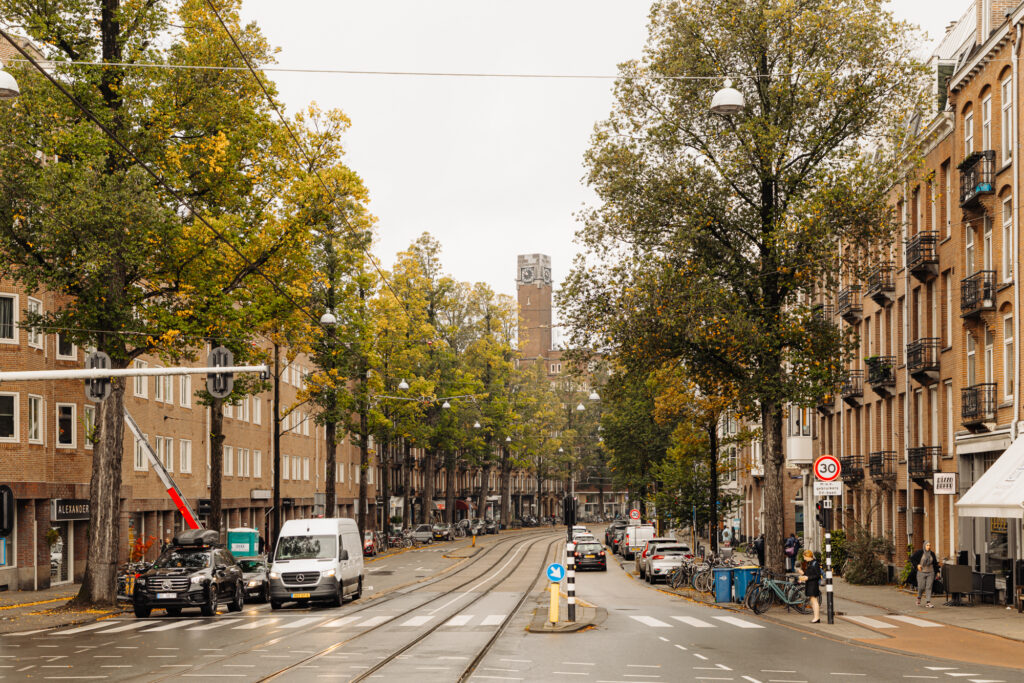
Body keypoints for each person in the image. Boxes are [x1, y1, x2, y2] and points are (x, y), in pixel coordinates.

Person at [911, 540, 939, 608]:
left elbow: (935, 563)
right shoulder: (919, 552)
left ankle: (928, 602)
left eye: (929, 545)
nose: (928, 547)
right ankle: (919, 598)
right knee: (921, 587)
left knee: (929, 587)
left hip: (930, 572)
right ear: (924, 546)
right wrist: (917, 565)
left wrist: (937, 572)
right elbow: (912, 559)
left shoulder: (932, 554)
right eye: (927, 545)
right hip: (921, 572)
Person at [797, 548, 822, 623]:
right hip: (810, 584)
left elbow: (818, 575)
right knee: (812, 601)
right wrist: (803, 575)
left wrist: (807, 577)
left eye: (804, 557)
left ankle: (817, 618)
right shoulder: (810, 563)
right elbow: (809, 574)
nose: (804, 558)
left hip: (813, 585)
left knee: (814, 601)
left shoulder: (815, 563)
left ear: (808, 556)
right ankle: (816, 617)